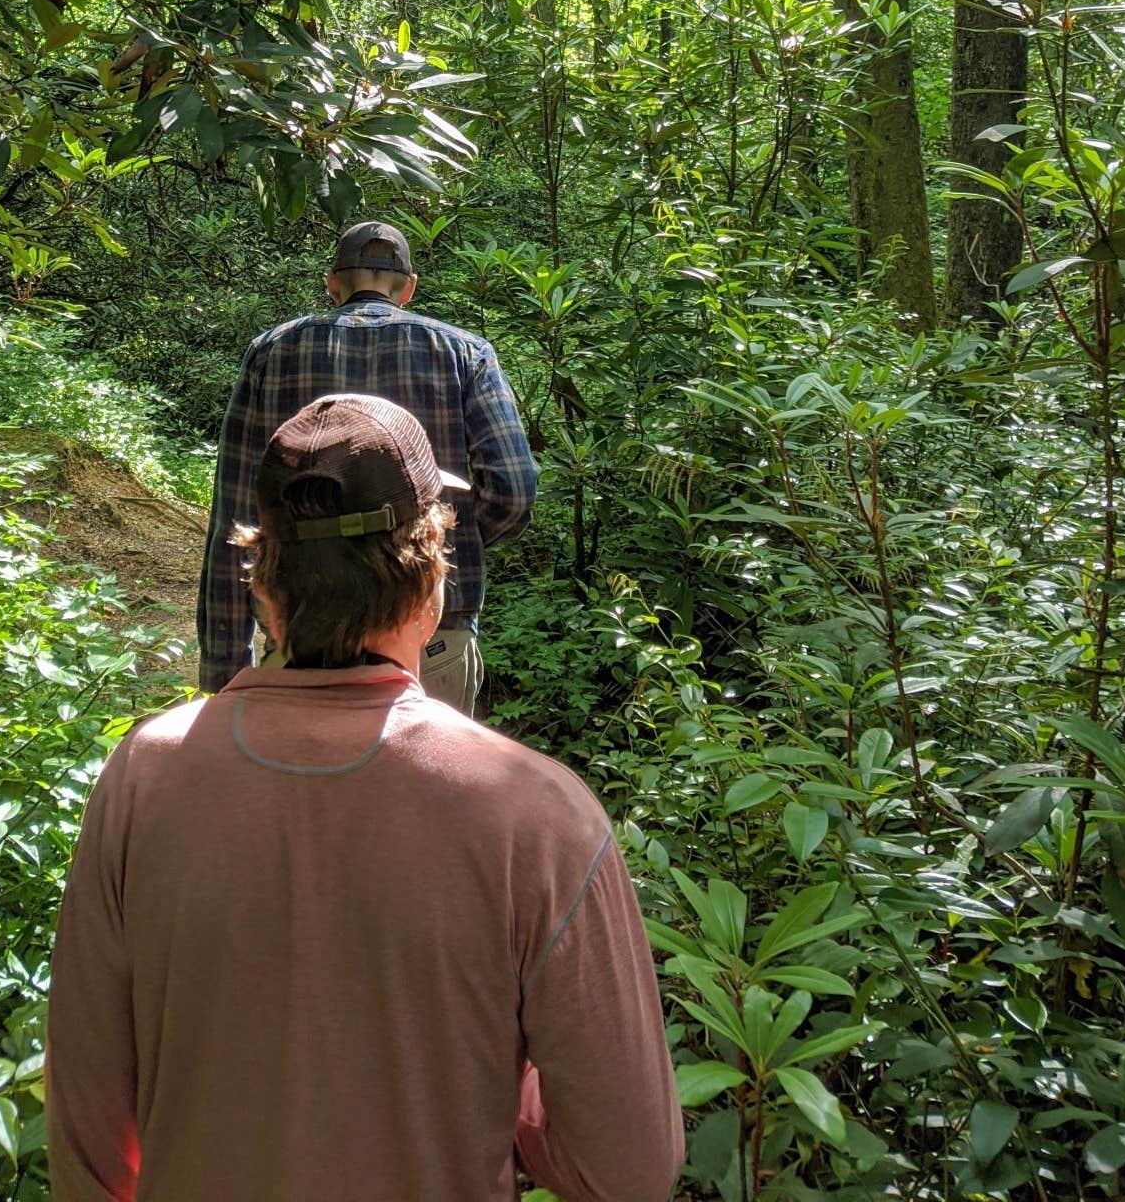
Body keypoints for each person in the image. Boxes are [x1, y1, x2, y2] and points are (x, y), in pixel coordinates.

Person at [48, 393, 683, 1202]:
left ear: (264, 586)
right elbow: (627, 1172)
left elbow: (88, 1140)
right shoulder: (538, 816)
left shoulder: (143, 777)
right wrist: (507, 1063)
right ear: (432, 578)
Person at [197, 220, 537, 711]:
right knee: (431, 759)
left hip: (299, 619)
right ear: (409, 288)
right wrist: (433, 542)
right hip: (428, 629)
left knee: (295, 762)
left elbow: (234, 509)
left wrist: (223, 669)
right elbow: (514, 491)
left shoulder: (272, 351)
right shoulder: (466, 353)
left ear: (333, 283)